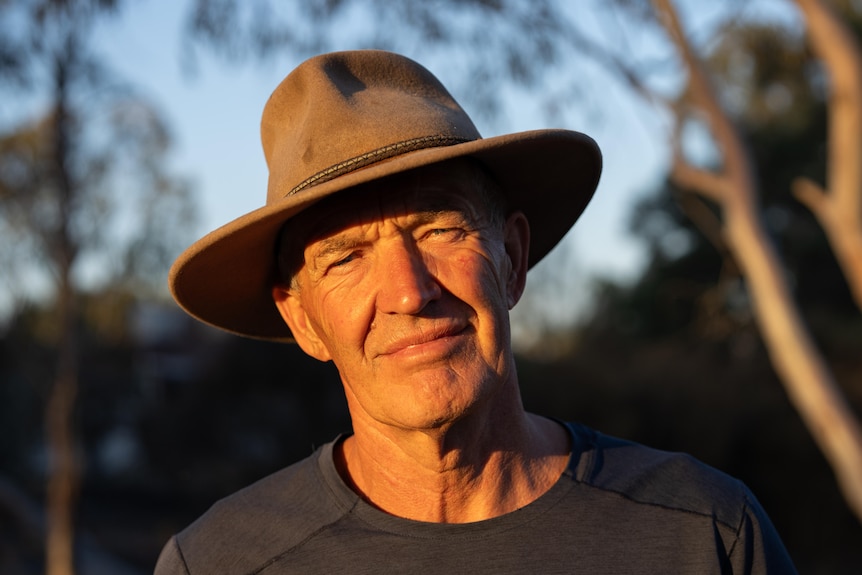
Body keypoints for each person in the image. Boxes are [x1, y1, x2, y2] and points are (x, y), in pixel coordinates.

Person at [155, 50, 796, 574]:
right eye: (346, 257)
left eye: (438, 228)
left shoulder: (706, 535)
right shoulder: (217, 563)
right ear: (302, 320)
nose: (408, 292)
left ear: (512, 259)